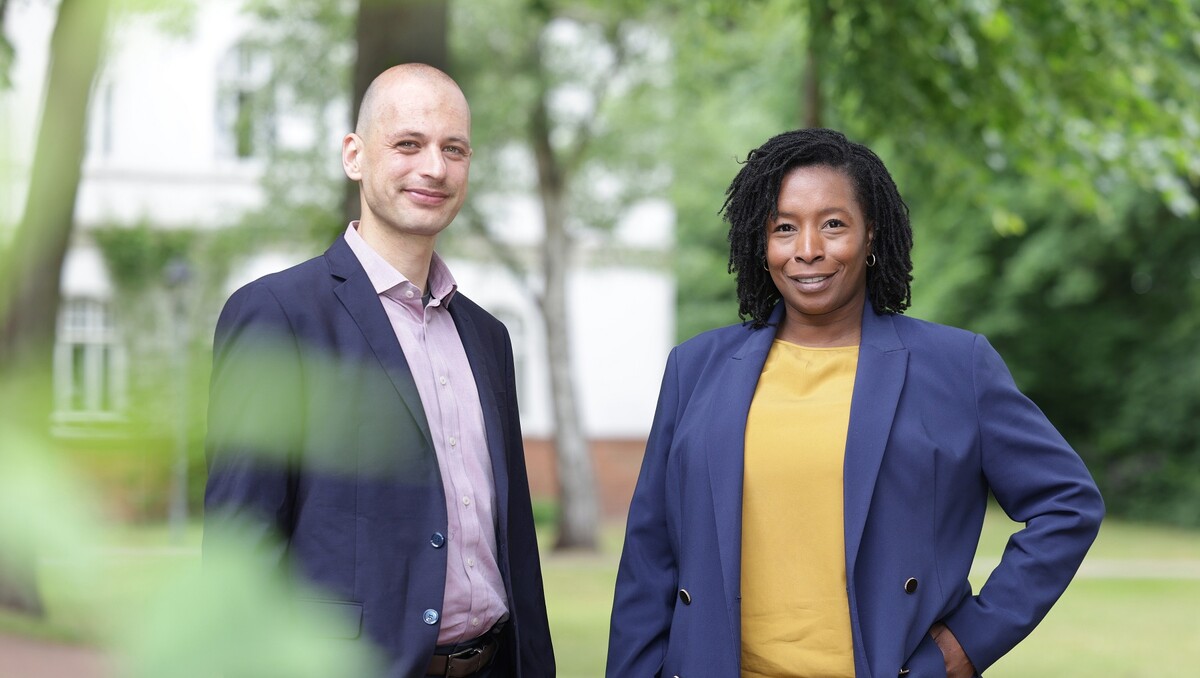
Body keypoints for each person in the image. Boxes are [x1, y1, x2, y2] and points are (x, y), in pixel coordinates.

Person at [606, 128, 1103, 678]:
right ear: (761, 243)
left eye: (833, 224)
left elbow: (1067, 504)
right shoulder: (696, 368)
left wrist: (966, 644)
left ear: (871, 237)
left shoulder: (955, 365)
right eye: (784, 227)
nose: (808, 249)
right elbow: (649, 555)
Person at [204, 64, 554, 678]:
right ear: (355, 156)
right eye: (408, 144)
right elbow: (240, 553)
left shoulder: (488, 337)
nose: (434, 168)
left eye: (454, 149)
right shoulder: (278, 316)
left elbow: (515, 545)